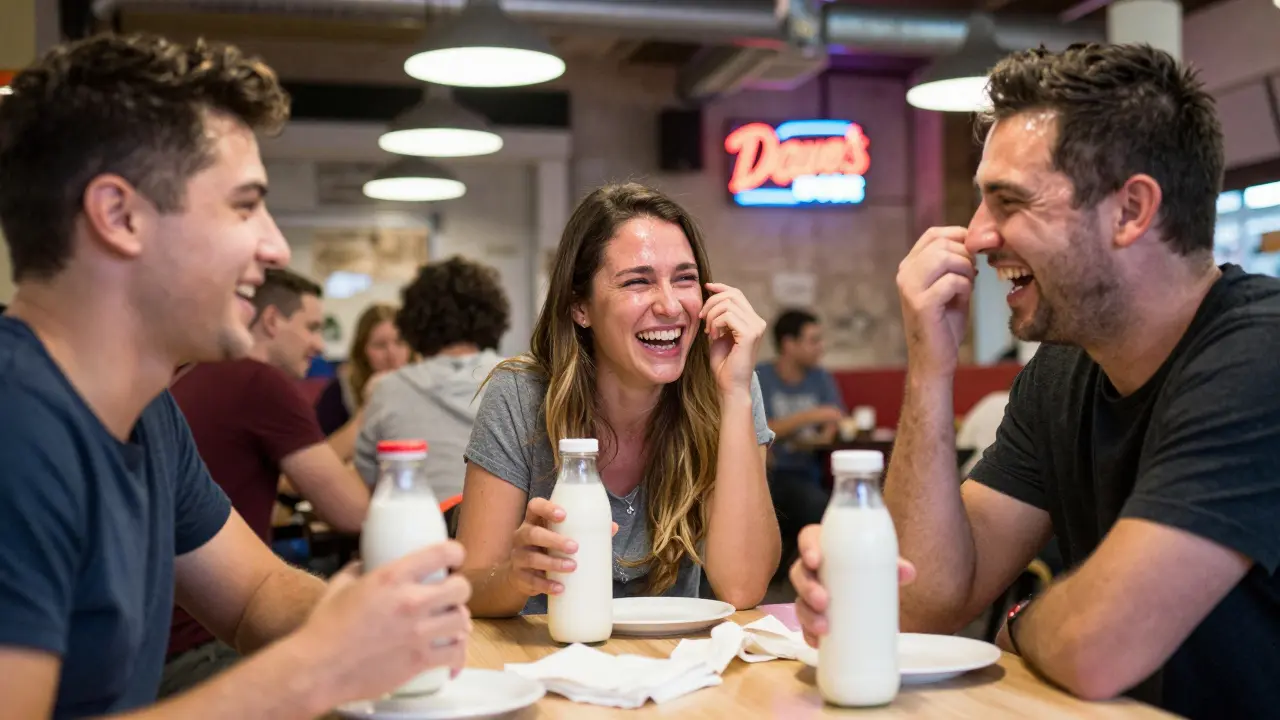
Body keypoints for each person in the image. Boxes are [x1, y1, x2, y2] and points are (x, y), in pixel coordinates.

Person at [791, 43, 1280, 718]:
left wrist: (1018, 621)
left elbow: (1095, 645)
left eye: (1008, 201)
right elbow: (919, 604)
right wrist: (930, 369)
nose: (977, 235)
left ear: (1131, 211)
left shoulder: (1260, 357)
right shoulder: (1065, 368)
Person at [0, 33, 470, 718]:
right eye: (245, 206)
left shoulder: (146, 412)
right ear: (118, 215)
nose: (274, 247)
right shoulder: (16, 424)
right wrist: (317, 666)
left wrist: (371, 615)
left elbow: (253, 598)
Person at [457, 183, 781, 616]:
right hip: (547, 664)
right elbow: (471, 588)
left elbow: (743, 588)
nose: (670, 306)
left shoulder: (728, 386)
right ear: (580, 308)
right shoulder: (521, 395)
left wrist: (738, 394)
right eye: (637, 282)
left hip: (675, 670)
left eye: (684, 278)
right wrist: (516, 575)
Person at [163, 267, 374, 696]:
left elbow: (255, 589)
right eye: (311, 327)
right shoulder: (260, 380)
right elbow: (353, 512)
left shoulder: (181, 388)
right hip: (196, 648)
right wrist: (373, 412)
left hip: (177, 636)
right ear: (273, 320)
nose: (319, 344)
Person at [356, 256, 510, 509]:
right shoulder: (524, 378)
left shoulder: (387, 389)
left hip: (416, 537)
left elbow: (369, 479)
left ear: (413, 322)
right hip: (509, 537)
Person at [755, 309, 845, 564]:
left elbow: (834, 421)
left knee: (823, 504)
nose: (821, 347)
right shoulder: (761, 377)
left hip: (807, 473)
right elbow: (758, 429)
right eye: (813, 340)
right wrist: (811, 416)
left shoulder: (821, 378)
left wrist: (826, 427)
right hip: (768, 475)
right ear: (789, 344)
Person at [316, 302, 410, 456]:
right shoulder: (338, 393)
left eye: (399, 343)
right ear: (362, 352)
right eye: (380, 345)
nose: (392, 354)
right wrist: (368, 409)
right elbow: (319, 461)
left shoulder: (424, 386)